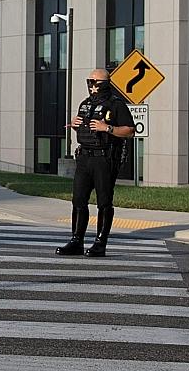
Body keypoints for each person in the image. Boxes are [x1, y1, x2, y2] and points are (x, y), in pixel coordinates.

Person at [57, 68, 134, 257]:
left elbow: (130, 130)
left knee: (104, 202)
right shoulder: (85, 104)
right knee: (78, 200)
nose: (92, 85)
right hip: (84, 157)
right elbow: (86, 131)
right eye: (89, 80)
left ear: (105, 83)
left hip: (104, 158)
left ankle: (100, 243)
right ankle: (76, 241)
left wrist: (106, 127)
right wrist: (76, 126)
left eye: (95, 81)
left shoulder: (116, 105)